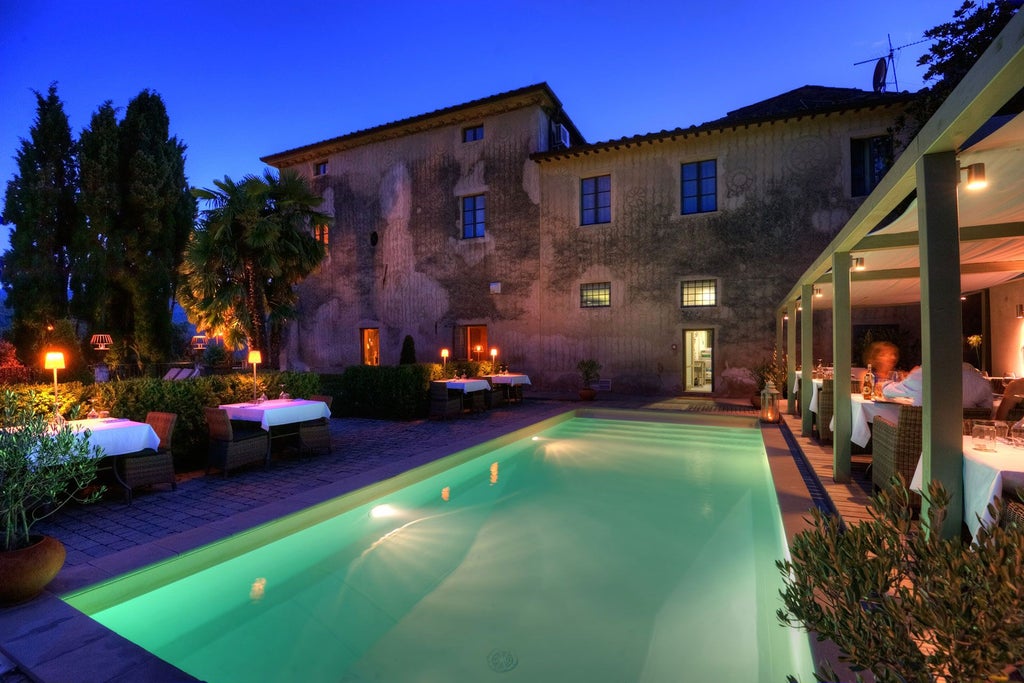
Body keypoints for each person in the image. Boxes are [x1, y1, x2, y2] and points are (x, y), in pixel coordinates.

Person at [882, 363, 993, 411]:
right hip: (964, 440)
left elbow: (888, 392)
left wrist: (885, 384)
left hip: (920, 437)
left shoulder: (921, 374)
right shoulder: (978, 380)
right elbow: (987, 411)